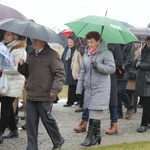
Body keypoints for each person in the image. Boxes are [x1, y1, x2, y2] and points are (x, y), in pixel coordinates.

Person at [18, 39, 65, 150]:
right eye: (33, 40)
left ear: (44, 41)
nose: (34, 42)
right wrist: (22, 66)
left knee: (47, 120)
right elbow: (27, 73)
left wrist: (55, 90)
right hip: (31, 95)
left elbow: (60, 74)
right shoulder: (30, 53)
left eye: (37, 41)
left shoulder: (52, 54)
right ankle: (32, 147)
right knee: (31, 123)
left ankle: (58, 140)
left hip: (46, 95)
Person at [76, 31, 116, 146]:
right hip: (89, 89)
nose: (90, 44)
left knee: (94, 112)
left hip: (101, 88)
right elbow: (83, 71)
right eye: (88, 42)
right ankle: (97, 136)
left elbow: (112, 69)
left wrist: (98, 66)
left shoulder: (106, 53)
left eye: (92, 42)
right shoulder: (87, 54)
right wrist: (79, 89)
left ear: (98, 41)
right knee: (92, 111)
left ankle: (89, 137)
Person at [0, 31, 27, 144]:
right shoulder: (7, 48)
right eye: (5, 34)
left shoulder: (20, 50)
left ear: (15, 36)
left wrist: (3, 69)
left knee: (5, 106)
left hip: (15, 82)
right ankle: (14, 130)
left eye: (9, 34)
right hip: (6, 81)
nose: (6, 36)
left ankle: (0, 132)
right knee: (8, 107)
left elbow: (18, 69)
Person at [106, 44, 123, 135]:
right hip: (98, 75)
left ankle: (114, 124)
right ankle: (86, 122)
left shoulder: (114, 46)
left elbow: (119, 61)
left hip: (111, 76)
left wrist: (107, 64)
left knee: (112, 100)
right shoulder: (95, 45)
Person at [136, 36, 150, 133]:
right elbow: (136, 61)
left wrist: (140, 64)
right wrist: (137, 62)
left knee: (146, 104)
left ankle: (144, 124)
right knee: (146, 103)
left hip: (148, 79)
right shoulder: (143, 50)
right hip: (143, 79)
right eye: (147, 41)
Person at [117, 42, 135, 119]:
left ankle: (129, 106)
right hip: (115, 70)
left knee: (120, 90)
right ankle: (119, 113)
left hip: (124, 71)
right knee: (115, 92)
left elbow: (130, 59)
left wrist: (122, 65)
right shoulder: (114, 43)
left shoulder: (130, 44)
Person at [62, 36, 78, 107]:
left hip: (73, 69)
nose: (70, 44)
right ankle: (71, 101)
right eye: (68, 42)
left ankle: (73, 101)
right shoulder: (66, 49)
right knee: (71, 86)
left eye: (71, 42)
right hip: (67, 69)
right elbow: (63, 58)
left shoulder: (76, 50)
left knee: (74, 86)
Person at [126, 42, 141, 113]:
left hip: (135, 75)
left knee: (135, 92)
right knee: (128, 90)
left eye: (137, 43)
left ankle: (134, 107)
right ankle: (129, 106)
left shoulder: (140, 54)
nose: (136, 44)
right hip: (129, 73)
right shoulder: (130, 51)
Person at [71, 45, 85, 112]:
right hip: (77, 72)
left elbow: (82, 63)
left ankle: (82, 105)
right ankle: (81, 103)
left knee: (83, 90)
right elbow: (74, 59)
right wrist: (72, 66)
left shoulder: (82, 49)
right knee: (79, 89)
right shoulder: (77, 49)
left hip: (81, 73)